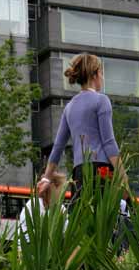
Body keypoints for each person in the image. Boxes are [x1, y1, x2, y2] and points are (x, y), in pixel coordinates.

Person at [36, 53, 120, 201]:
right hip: (101, 170)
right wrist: (122, 174)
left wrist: (46, 179)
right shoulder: (101, 100)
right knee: (105, 220)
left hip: (79, 172)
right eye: (101, 73)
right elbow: (108, 142)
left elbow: (58, 147)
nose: (102, 77)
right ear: (95, 74)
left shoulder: (69, 107)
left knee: (81, 219)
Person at [18, 171, 67, 240]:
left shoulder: (61, 208)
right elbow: (26, 235)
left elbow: (65, 232)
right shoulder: (33, 205)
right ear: (52, 186)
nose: (63, 192)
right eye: (61, 187)